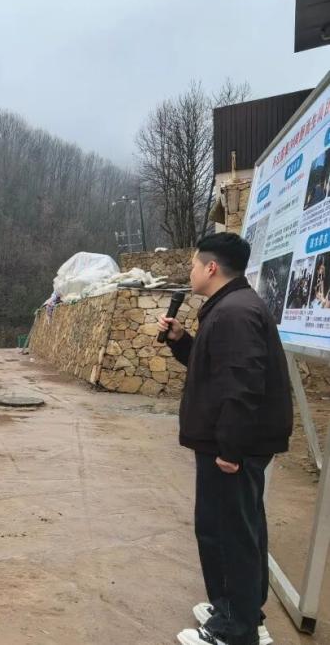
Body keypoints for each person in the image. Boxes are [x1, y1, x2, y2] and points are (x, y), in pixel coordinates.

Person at [158, 233, 292, 645]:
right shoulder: (231, 307)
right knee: (234, 527)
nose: (191, 272)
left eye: (194, 265)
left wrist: (231, 449)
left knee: (228, 531)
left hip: (232, 447)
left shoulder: (234, 313)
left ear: (211, 268)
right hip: (229, 443)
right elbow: (216, 369)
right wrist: (182, 341)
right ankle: (239, 610)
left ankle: (236, 629)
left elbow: (242, 385)